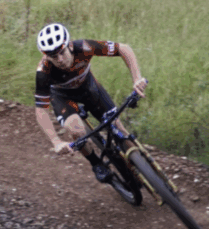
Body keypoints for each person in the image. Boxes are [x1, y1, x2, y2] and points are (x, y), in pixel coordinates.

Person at [33, 22, 148, 183]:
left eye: (61, 52)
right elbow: (40, 110)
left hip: (89, 88)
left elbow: (124, 48)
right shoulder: (44, 72)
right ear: (46, 56)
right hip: (64, 98)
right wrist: (56, 141)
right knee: (77, 131)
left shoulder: (84, 47)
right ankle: (96, 163)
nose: (59, 59)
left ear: (70, 46)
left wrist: (137, 78)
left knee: (117, 126)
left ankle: (143, 167)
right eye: (53, 56)